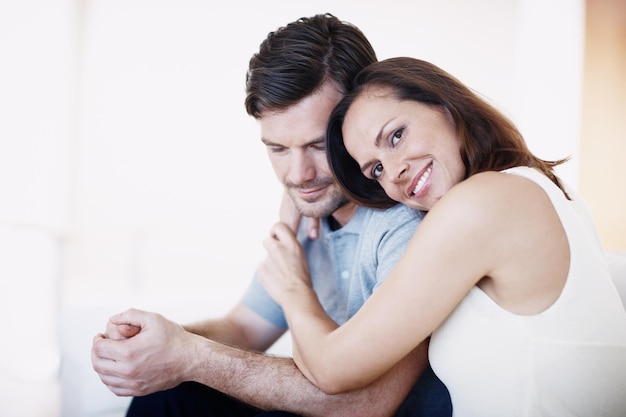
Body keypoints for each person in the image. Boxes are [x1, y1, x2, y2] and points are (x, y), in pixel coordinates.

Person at [91, 16, 452, 417]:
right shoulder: (307, 214)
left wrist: (190, 355)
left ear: (357, 115)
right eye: (278, 149)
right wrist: (163, 343)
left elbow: (367, 403)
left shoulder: (405, 222)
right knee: (167, 394)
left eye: (317, 145)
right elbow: (245, 330)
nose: (298, 176)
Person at [258, 57, 626, 416]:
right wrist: (303, 189)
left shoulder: (480, 204)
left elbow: (331, 370)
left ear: (445, 105)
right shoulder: (540, 188)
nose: (395, 172)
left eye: (396, 136)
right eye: (376, 169)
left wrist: (293, 288)